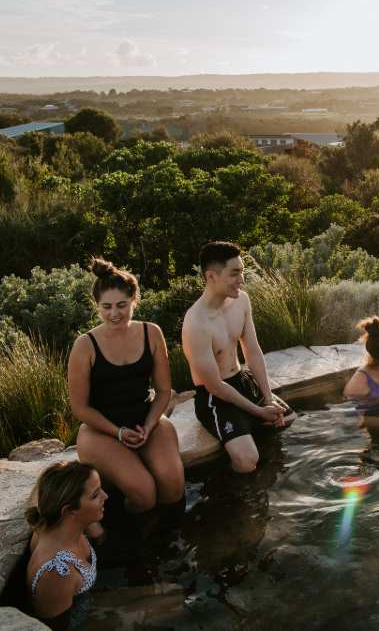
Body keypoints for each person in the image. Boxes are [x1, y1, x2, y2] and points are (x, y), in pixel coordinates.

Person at [68, 258, 183, 514]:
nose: (114, 313)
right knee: (144, 493)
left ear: (134, 300)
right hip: (101, 431)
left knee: (173, 486)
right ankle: (134, 538)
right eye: (106, 307)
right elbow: (79, 407)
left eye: (122, 305)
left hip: (145, 419)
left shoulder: (151, 333)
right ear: (97, 306)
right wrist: (118, 432)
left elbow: (164, 390)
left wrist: (151, 424)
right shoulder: (84, 346)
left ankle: (169, 541)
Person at [182, 241, 295, 474]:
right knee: (247, 460)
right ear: (211, 276)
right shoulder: (196, 323)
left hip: (242, 379)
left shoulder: (241, 301)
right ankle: (229, 493)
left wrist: (267, 398)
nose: (242, 279)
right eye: (235, 273)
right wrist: (259, 412)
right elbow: (214, 386)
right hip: (216, 396)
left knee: (288, 419)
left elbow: (252, 351)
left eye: (242, 271)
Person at [25, 461, 106, 627]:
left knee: (170, 595)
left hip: (90, 600)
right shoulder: (57, 573)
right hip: (83, 622)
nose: (106, 496)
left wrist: (95, 528)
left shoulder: (54, 522)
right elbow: (55, 627)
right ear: (69, 511)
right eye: (95, 495)